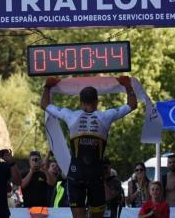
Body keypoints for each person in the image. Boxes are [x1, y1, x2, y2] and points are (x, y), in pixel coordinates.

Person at [41, 76, 137, 218]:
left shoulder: (70, 115)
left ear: (80, 103)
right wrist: (128, 86)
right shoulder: (106, 116)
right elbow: (132, 104)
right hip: (95, 176)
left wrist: (48, 87)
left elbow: (45, 105)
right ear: (97, 102)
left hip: (75, 175)